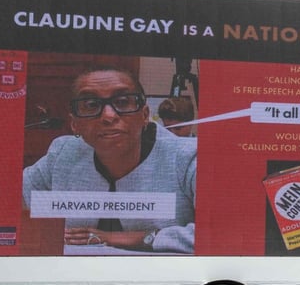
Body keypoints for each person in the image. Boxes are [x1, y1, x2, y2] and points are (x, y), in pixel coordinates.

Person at [22, 67, 196, 254]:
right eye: (90, 104)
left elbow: (222, 233)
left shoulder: (187, 157)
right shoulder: (63, 154)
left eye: (122, 102)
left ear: (144, 115)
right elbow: (8, 204)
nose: (108, 116)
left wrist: (140, 237)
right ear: (74, 124)